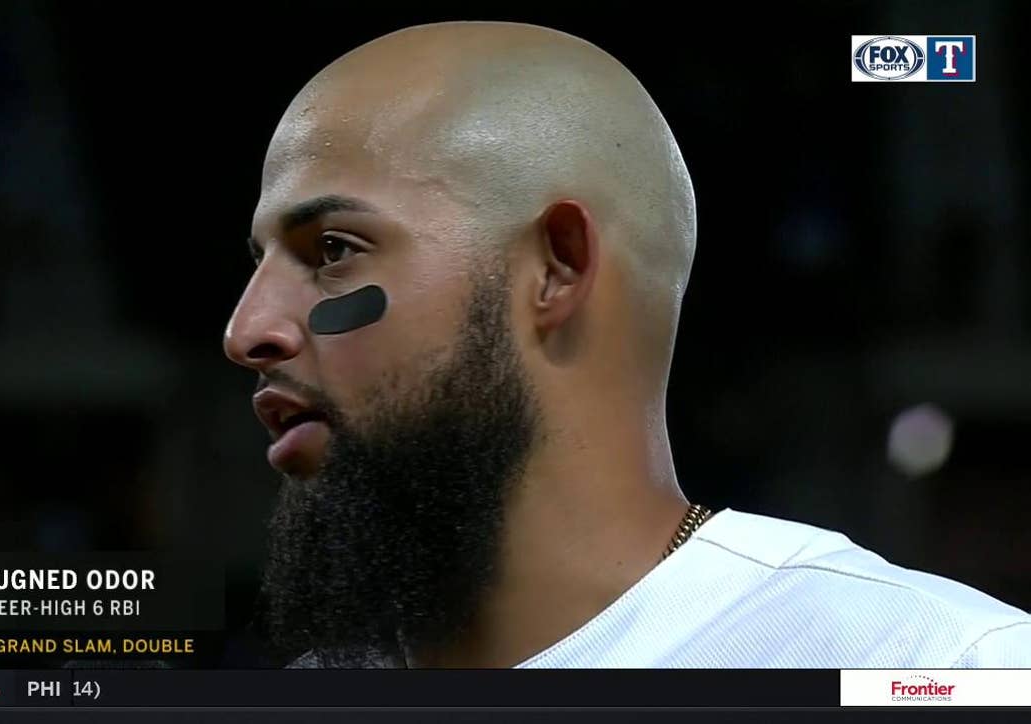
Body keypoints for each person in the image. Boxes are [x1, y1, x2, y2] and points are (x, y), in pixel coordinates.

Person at [221, 21, 1031, 668]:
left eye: (332, 250)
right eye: (259, 265)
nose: (245, 331)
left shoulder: (938, 667)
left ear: (556, 267)